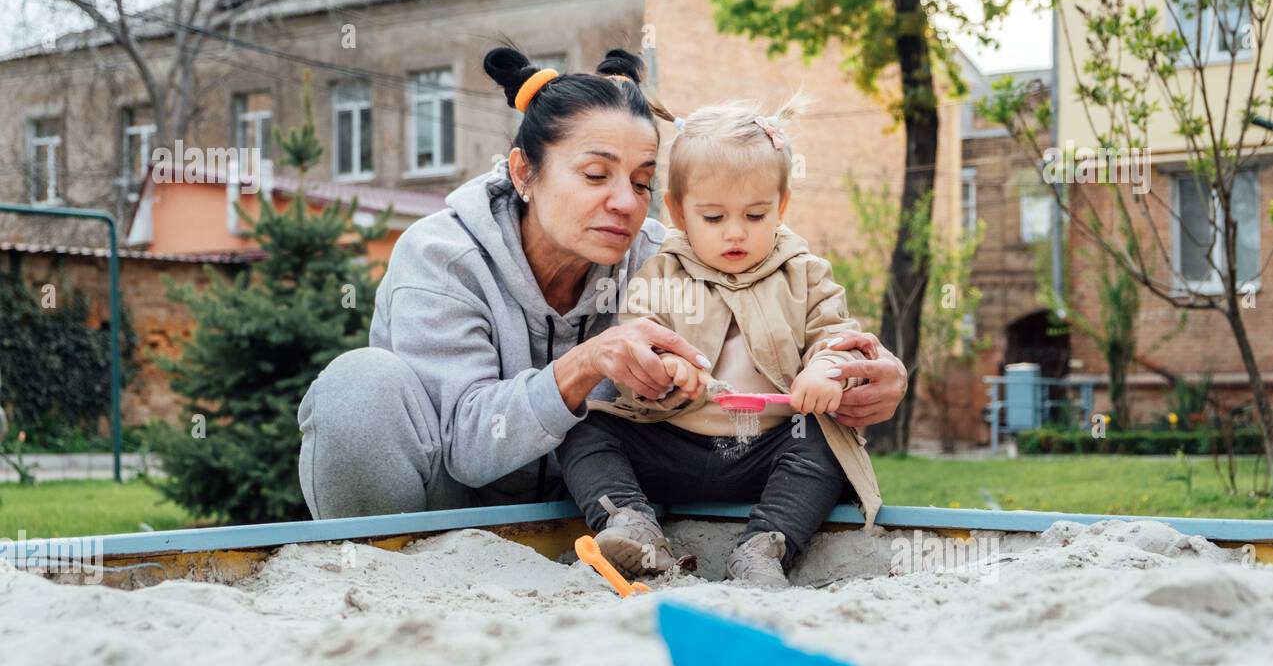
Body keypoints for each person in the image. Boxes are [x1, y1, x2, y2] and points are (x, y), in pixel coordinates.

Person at [296, 47, 909, 520]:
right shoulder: (442, 258)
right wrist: (585, 364)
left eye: (642, 182)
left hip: (588, 515)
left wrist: (859, 376)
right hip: (446, 506)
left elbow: (771, 335)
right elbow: (466, 445)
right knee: (359, 386)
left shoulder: (661, 255)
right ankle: (376, 573)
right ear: (524, 172)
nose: (624, 202)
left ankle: (626, 530)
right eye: (595, 173)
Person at [555, 94, 881, 588]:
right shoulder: (659, 272)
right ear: (679, 213)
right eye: (713, 218)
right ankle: (633, 527)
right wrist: (665, 368)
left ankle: (764, 548)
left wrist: (826, 367)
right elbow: (640, 335)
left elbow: (835, 331)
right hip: (671, 441)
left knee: (824, 442)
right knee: (584, 430)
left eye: (755, 216)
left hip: (769, 445)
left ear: (782, 207)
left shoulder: (805, 273)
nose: (736, 233)